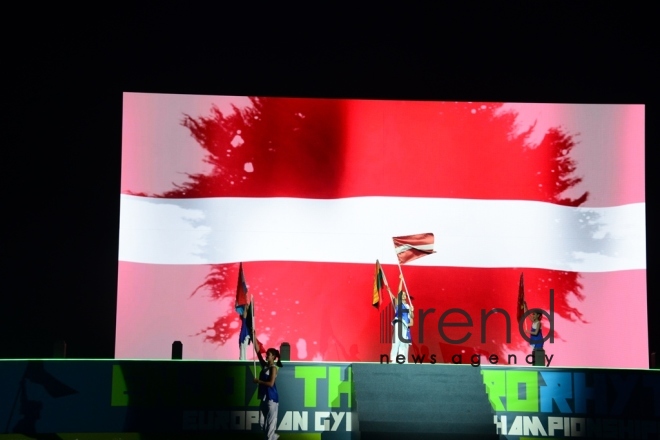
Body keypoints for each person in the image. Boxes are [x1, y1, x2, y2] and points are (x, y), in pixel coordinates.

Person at [253, 342, 282, 440]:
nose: (266, 356)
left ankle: (271, 437)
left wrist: (259, 381)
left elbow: (270, 383)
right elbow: (258, 353)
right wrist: (254, 335)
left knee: (270, 424)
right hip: (264, 398)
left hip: (272, 398)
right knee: (261, 423)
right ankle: (273, 437)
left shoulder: (273, 368)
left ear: (273, 357)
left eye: (268, 355)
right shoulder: (265, 366)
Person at [390, 290, 414, 363]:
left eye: (405, 294)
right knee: (396, 340)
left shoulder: (408, 306)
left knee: (402, 342)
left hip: (405, 325)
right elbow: (398, 291)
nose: (404, 296)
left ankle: (401, 359)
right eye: (402, 294)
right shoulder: (398, 303)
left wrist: (412, 310)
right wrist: (401, 280)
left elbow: (412, 317)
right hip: (399, 322)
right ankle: (393, 358)